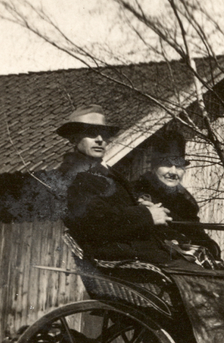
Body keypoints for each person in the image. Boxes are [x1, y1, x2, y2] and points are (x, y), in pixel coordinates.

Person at [59, 105, 180, 266]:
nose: (100, 139)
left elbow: (110, 208)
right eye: (91, 133)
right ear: (73, 138)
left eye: (104, 134)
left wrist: (140, 206)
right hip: (122, 261)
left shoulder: (100, 170)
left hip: (139, 253)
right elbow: (96, 222)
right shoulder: (73, 175)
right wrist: (146, 215)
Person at [131, 131, 224, 269]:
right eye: (167, 164)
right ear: (154, 168)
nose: (173, 172)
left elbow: (197, 233)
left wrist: (212, 249)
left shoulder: (185, 202)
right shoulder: (137, 192)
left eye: (178, 166)